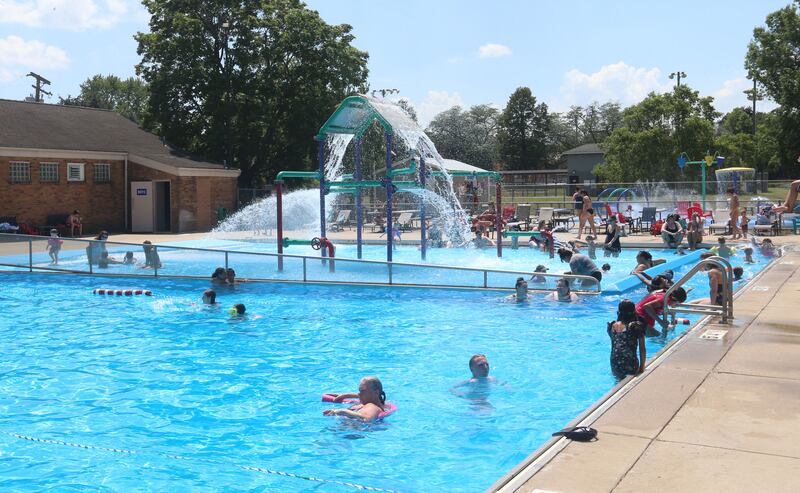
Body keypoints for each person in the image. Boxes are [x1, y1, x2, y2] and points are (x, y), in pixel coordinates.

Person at [608, 299, 646, 379]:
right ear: (634, 311)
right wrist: (642, 367)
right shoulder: (636, 326)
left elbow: (613, 346)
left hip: (614, 362)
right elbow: (642, 348)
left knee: (618, 381)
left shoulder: (612, 325)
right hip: (630, 363)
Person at [323, 376, 387, 422]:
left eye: (362, 391)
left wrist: (341, 411)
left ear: (376, 392)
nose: (359, 394)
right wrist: (346, 395)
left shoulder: (372, 406)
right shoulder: (368, 403)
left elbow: (366, 419)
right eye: (359, 391)